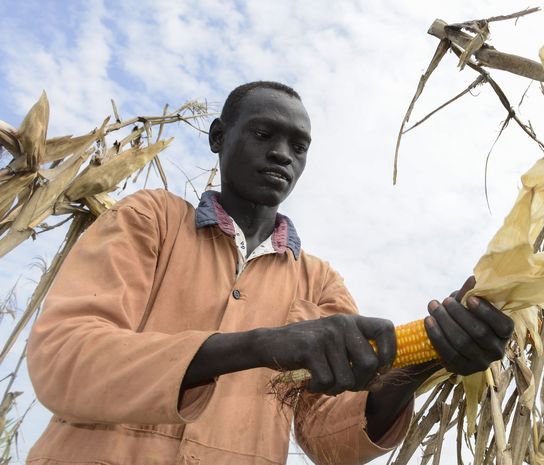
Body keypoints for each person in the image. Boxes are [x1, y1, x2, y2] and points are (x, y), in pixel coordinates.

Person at [25, 81, 514, 465]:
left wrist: (420, 361)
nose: (283, 153)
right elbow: (64, 357)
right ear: (218, 137)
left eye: (298, 146)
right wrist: (261, 345)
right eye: (264, 134)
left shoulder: (320, 283)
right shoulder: (150, 220)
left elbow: (328, 438)